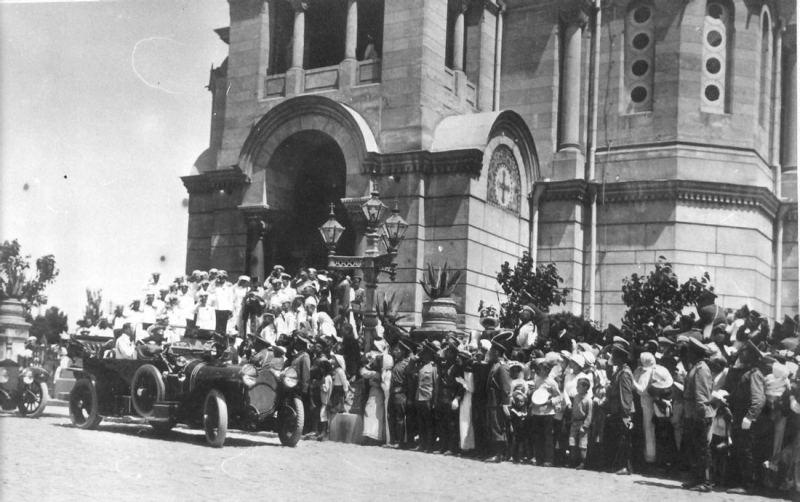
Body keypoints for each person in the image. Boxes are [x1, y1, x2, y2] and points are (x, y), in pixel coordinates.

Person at [726, 341, 771, 495]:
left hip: (748, 420)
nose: (741, 353)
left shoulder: (755, 374)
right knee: (742, 450)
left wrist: (750, 417)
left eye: (745, 351)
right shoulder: (747, 371)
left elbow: (759, 399)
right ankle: (744, 483)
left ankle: (748, 485)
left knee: (747, 451)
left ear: (752, 355)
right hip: (740, 417)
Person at [682, 337, 715, 492]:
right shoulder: (696, 367)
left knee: (702, 450)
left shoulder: (701, 369)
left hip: (699, 415)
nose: (687, 354)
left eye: (689, 351)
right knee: (695, 449)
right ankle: (697, 479)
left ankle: (706, 482)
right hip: (693, 413)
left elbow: (701, 395)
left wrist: (699, 416)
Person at [604, 342, 635, 475]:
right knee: (619, 438)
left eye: (615, 355)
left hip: (623, 411)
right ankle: (620, 465)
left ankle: (625, 466)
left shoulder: (625, 373)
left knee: (624, 439)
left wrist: (626, 414)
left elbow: (626, 395)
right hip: (617, 410)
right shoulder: (620, 371)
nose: (612, 357)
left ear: (621, 358)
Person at [485, 331, 513, 463]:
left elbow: (506, 388)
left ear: (496, 352)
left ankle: (499, 454)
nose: (489, 353)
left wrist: (506, 404)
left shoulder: (502, 367)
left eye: (491, 350)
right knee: (494, 427)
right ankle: (496, 452)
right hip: (492, 401)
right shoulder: (496, 365)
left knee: (498, 428)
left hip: (498, 403)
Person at [414, 340, 438, 453]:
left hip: (428, 398)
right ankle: (422, 444)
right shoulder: (419, 366)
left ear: (429, 354)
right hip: (419, 397)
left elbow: (436, 385)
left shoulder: (433, 368)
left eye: (424, 353)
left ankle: (429, 445)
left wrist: (434, 401)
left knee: (429, 423)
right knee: (420, 422)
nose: (422, 355)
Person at [570, 375, 593, 469]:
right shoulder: (576, 397)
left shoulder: (588, 400)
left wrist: (585, 425)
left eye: (578, 386)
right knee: (572, 442)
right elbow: (573, 409)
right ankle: (572, 461)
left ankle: (582, 462)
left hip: (582, 423)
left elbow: (589, 414)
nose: (576, 388)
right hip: (574, 422)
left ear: (585, 388)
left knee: (582, 444)